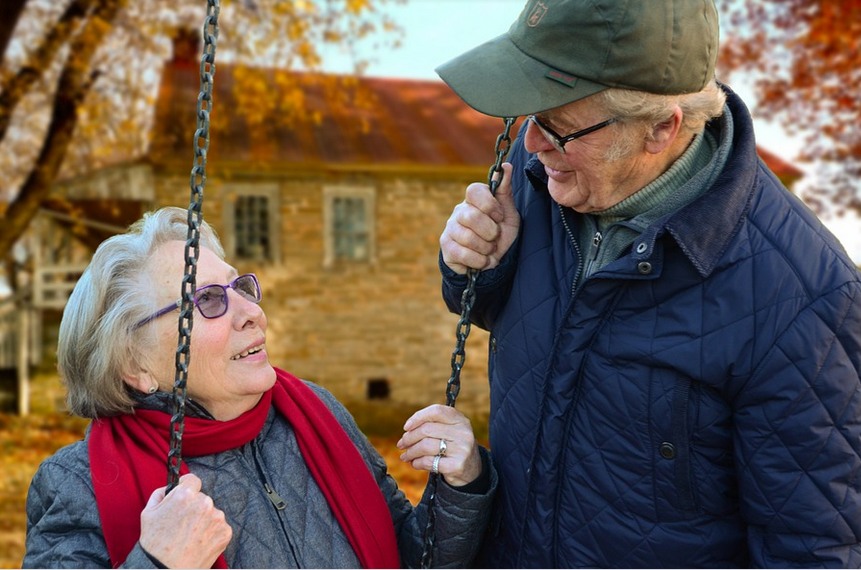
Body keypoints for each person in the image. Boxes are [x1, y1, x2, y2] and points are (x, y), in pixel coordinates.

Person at [435, 0, 861, 567]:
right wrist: (477, 267)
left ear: (662, 127)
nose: (533, 144)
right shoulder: (543, 174)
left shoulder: (806, 301)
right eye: (528, 116)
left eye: (558, 128)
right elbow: (506, 317)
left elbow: (815, 548)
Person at [23, 206, 496, 569]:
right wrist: (157, 562)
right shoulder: (77, 483)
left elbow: (410, 557)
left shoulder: (316, 415)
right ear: (134, 365)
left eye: (240, 288)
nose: (250, 311)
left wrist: (459, 485)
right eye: (207, 301)